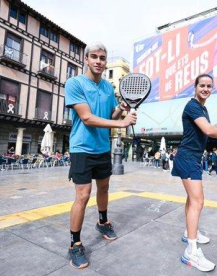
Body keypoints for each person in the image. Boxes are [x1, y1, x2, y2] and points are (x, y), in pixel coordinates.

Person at [65, 42, 137, 269]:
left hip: (102, 149)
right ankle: (74, 244)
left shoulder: (107, 88)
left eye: (102, 58)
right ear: (86, 59)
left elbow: (110, 115)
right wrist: (122, 122)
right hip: (81, 149)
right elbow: (87, 118)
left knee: (104, 189)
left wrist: (121, 109)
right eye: (94, 57)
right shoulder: (74, 83)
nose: (98, 61)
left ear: (106, 63)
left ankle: (103, 221)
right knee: (83, 195)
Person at [171, 74, 217, 272]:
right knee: (198, 202)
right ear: (196, 87)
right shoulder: (192, 106)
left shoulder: (202, 108)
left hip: (193, 158)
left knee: (192, 200)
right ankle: (191, 251)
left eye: (209, 86)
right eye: (202, 85)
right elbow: (207, 131)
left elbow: (203, 129)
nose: (206, 89)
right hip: (188, 158)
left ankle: (189, 232)